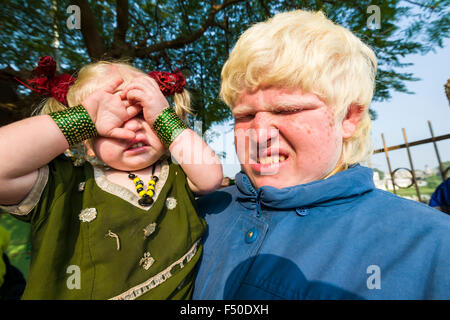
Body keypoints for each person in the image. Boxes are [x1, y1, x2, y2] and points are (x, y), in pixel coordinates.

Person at [193, 10, 450, 300]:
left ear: (349, 117)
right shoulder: (196, 216)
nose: (259, 134)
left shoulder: (433, 246)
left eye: (286, 110)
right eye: (245, 115)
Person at [0, 57, 223, 299]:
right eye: (109, 122)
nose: (132, 128)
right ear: (87, 144)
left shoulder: (179, 174)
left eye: (142, 114)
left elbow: (210, 178)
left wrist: (163, 117)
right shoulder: (64, 183)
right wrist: (82, 118)